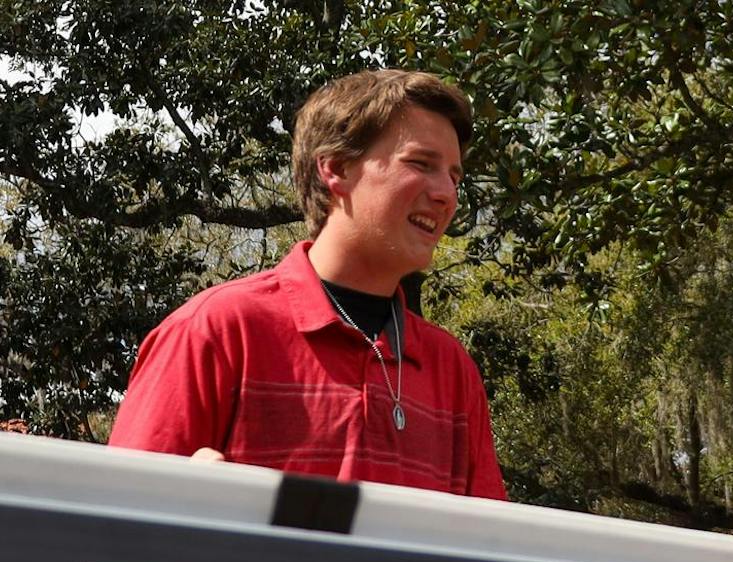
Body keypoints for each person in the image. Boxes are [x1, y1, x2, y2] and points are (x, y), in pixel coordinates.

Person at [109, 69, 507, 500]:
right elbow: (115, 520)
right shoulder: (218, 331)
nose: (447, 193)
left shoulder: (453, 371)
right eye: (420, 164)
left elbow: (489, 554)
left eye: (454, 176)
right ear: (335, 168)